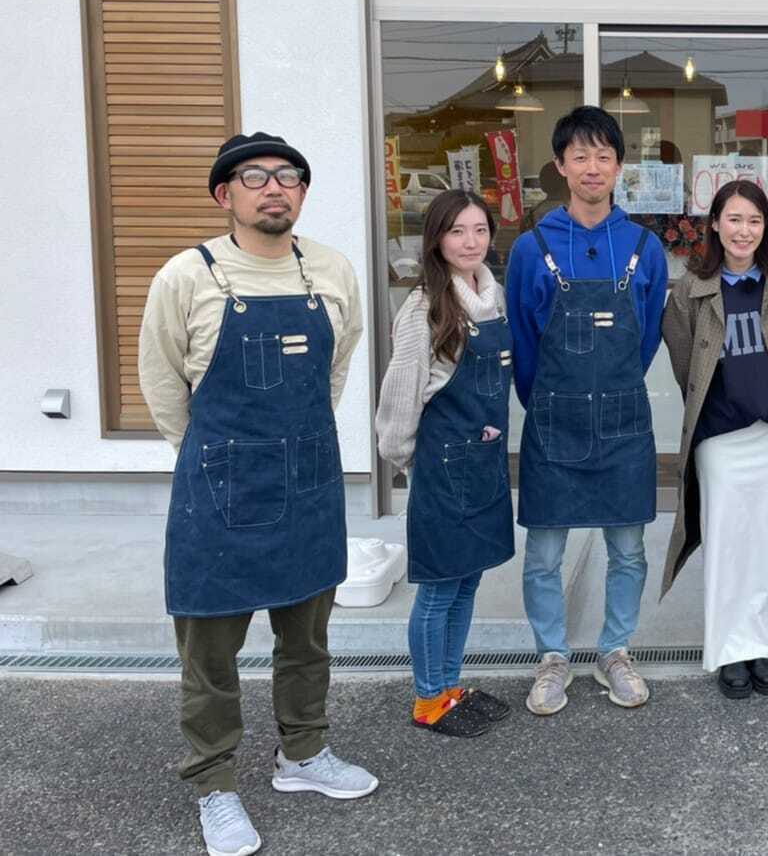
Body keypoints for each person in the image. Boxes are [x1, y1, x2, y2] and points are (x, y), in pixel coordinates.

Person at [138, 132, 377, 856]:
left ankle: (302, 754)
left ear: (302, 192)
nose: (274, 187)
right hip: (220, 488)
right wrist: (215, 458)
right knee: (210, 654)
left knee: (307, 640)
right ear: (225, 194)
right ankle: (214, 785)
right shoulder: (187, 275)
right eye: (254, 177)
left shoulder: (331, 270)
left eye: (288, 176)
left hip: (309, 482)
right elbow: (162, 384)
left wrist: (293, 444)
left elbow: (336, 369)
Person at [505, 106, 669, 715]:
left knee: (628, 549)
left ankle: (615, 651)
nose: (592, 167)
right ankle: (552, 656)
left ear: (620, 166)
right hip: (554, 421)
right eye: (580, 156)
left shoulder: (645, 246)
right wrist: (554, 401)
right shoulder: (532, 248)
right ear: (560, 166)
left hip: (624, 421)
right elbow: (522, 342)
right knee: (544, 554)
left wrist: (611, 389)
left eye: (604, 156)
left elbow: (646, 339)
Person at [660, 179, 768, 699]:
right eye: (734, 219)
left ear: (766, 227)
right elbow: (686, 366)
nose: (743, 230)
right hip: (721, 438)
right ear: (715, 225)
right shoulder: (690, 290)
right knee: (729, 544)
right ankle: (731, 648)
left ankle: (764, 644)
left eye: (754, 220)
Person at [375, 190, 516, 737]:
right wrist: (409, 458)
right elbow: (400, 394)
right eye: (457, 231)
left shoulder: (492, 298)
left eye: (479, 230)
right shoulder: (424, 308)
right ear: (436, 239)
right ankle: (428, 696)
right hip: (442, 466)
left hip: (483, 463)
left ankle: (451, 685)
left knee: (467, 581)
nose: (470, 241)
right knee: (438, 588)